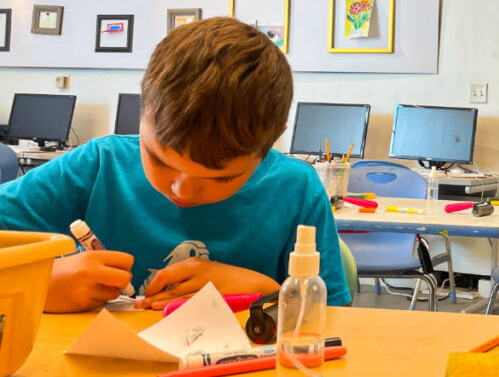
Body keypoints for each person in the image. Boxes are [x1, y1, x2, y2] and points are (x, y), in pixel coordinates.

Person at [0, 17, 356, 312]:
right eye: (159, 160)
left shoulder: (295, 189)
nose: (181, 191)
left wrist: (267, 293)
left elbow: (335, 321)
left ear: (271, 141)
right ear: (144, 107)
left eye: (220, 178)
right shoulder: (97, 165)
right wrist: (36, 282)